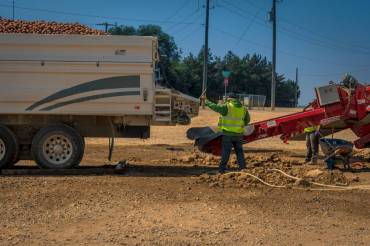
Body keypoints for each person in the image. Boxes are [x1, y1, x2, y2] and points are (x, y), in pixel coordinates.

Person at [202, 93, 250, 173]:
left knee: (226, 152)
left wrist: (205, 101)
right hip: (238, 134)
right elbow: (247, 120)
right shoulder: (244, 108)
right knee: (239, 152)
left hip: (227, 134)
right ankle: (242, 168)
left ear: (229, 99)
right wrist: (240, 125)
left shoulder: (227, 106)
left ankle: (222, 169)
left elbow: (215, 107)